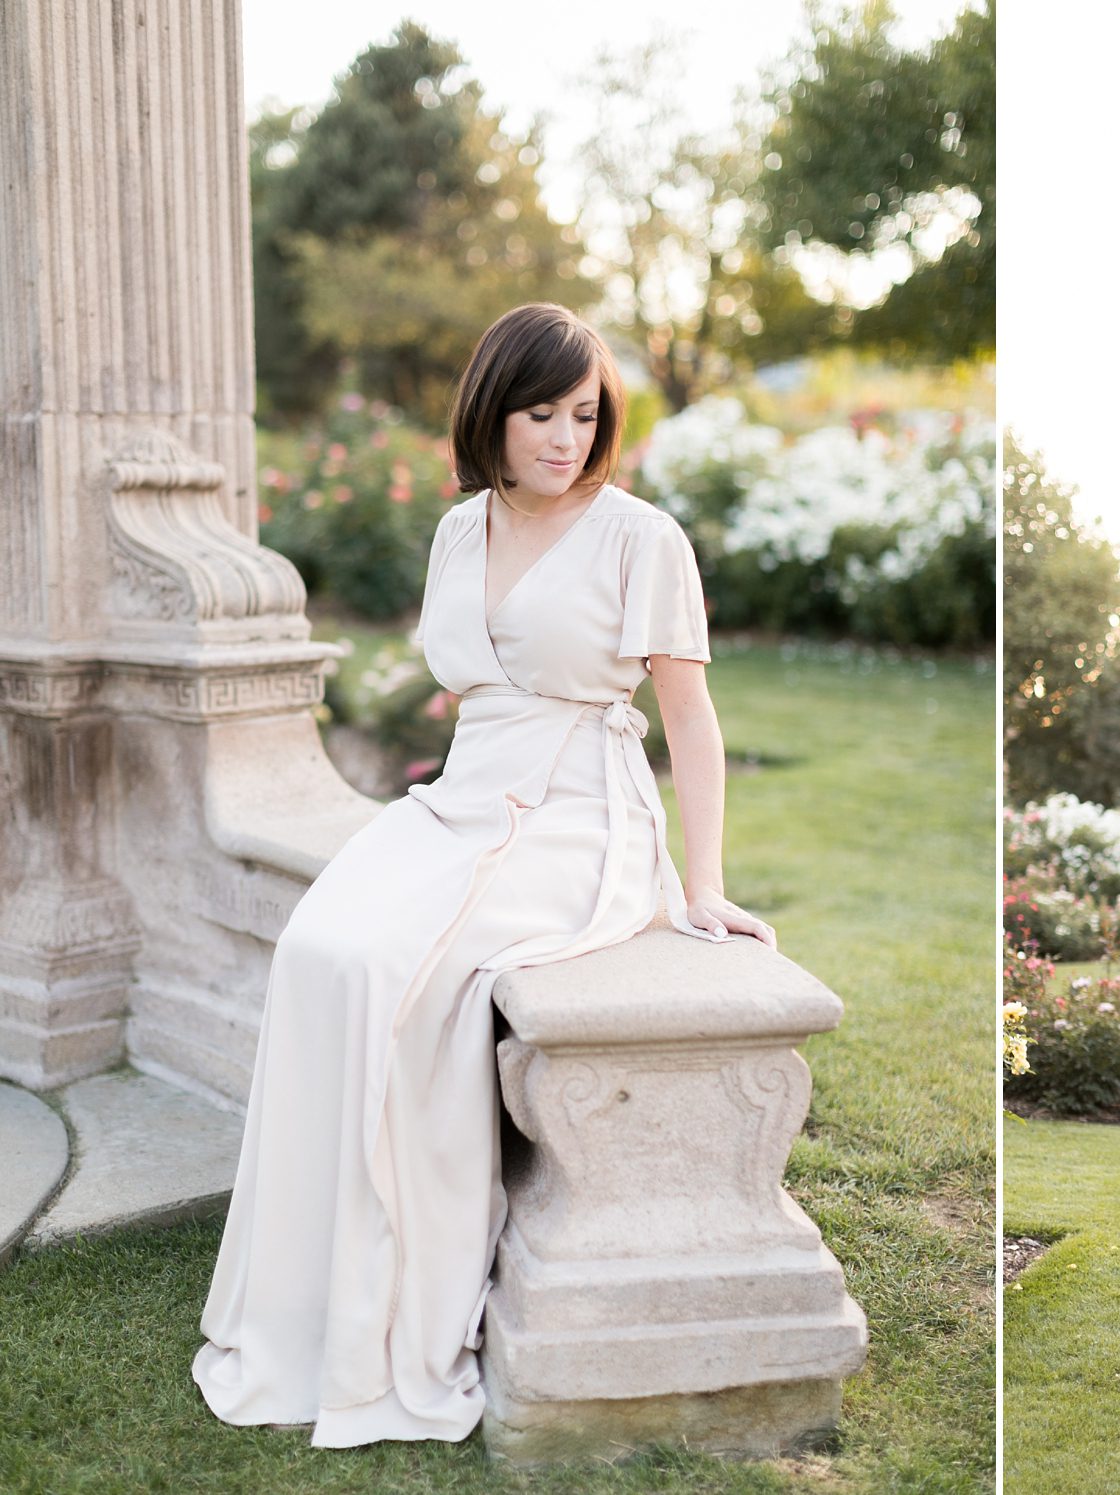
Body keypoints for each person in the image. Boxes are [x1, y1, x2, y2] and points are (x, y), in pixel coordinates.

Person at [192, 303, 774, 1446]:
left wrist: (700, 885)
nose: (565, 437)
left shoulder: (639, 537)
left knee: (396, 970)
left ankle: (399, 1305)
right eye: (540, 413)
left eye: (585, 414)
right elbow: (474, 680)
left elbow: (689, 722)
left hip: (577, 813)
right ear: (491, 415)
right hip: (464, 797)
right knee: (320, 945)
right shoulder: (460, 531)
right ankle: (304, 1297)